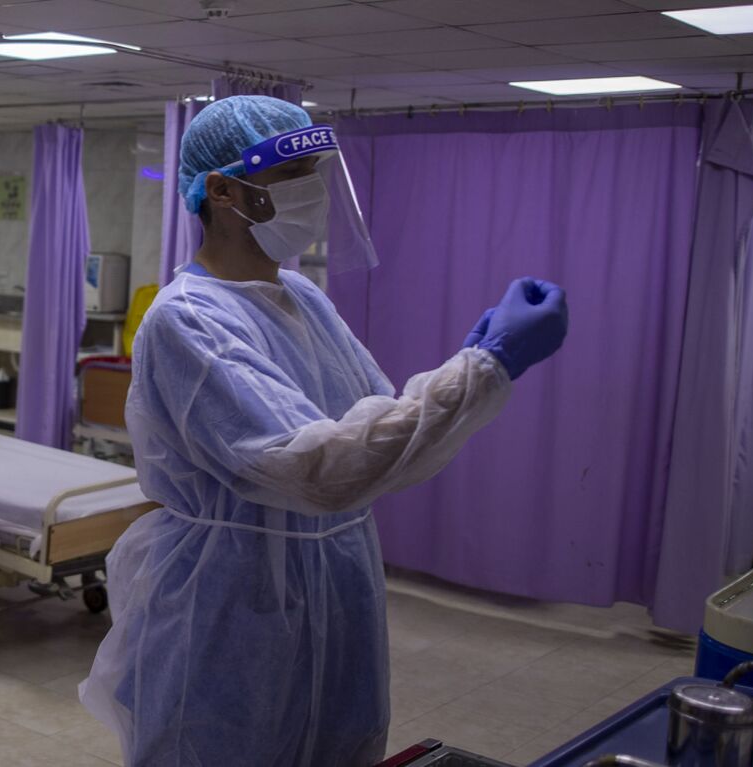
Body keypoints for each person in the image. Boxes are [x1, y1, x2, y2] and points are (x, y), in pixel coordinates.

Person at [78, 96, 568, 765]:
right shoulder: (185, 321)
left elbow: (375, 433)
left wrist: (470, 365)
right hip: (231, 603)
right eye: (296, 175)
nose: (316, 194)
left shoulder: (303, 298)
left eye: (317, 171)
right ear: (223, 190)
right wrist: (484, 368)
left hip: (335, 585)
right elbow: (322, 468)